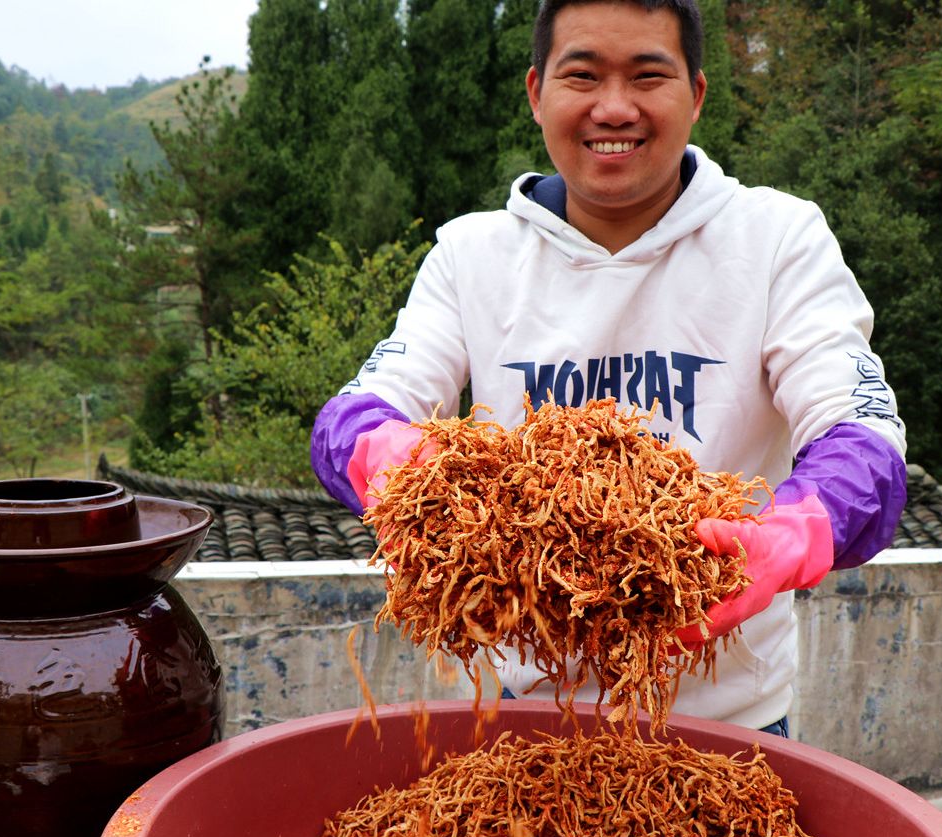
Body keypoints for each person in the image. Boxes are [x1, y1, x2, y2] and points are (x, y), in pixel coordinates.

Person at [310, 0, 907, 736]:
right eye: (582, 76)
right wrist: (387, 453)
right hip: (519, 720)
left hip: (726, 726)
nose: (614, 108)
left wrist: (795, 530)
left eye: (648, 76)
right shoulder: (472, 255)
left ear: (695, 94)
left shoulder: (777, 239)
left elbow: (861, 429)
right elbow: (357, 412)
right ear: (536, 93)